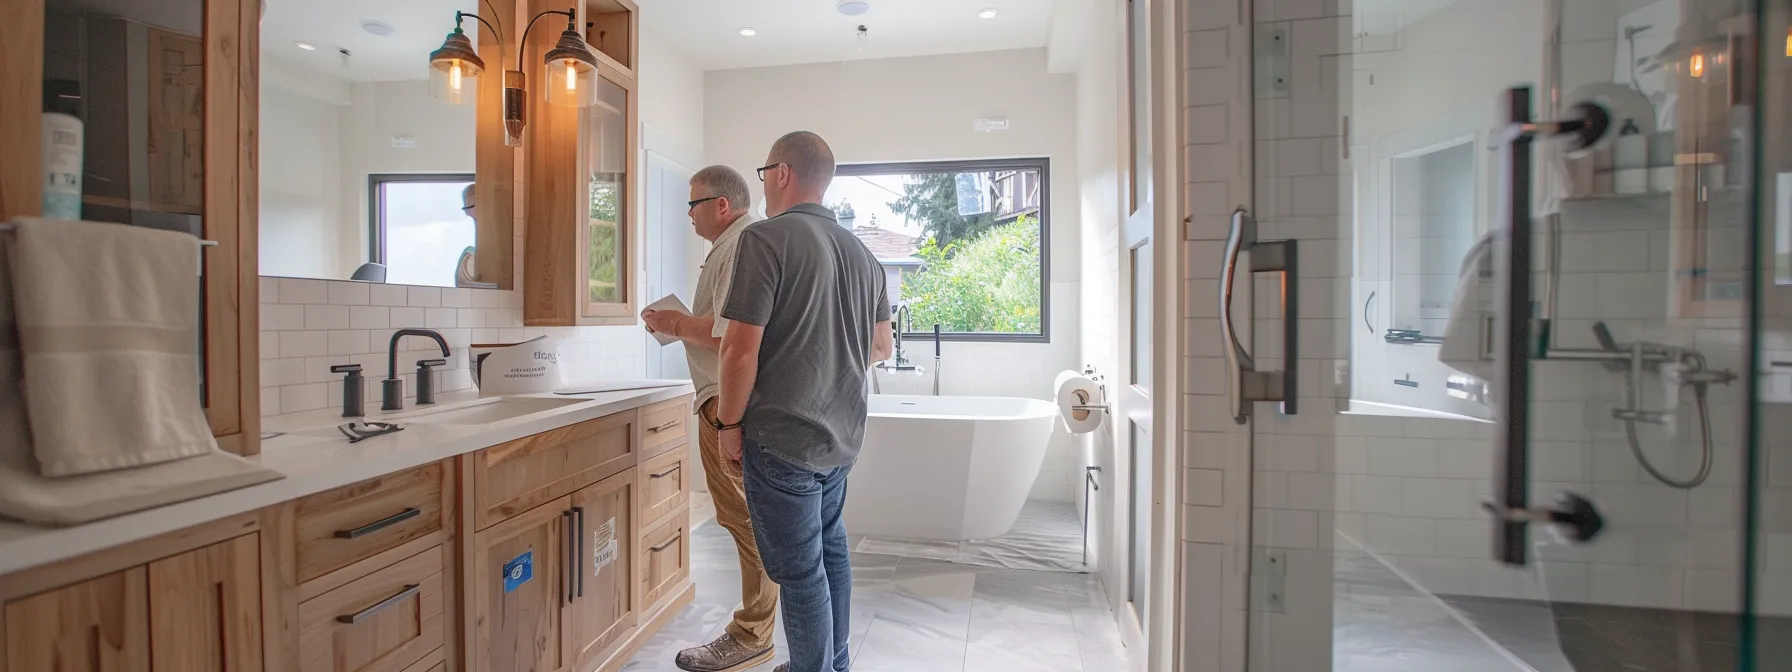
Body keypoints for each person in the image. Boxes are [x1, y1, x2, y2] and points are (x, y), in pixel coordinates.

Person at [714, 131, 894, 672]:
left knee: (798, 572)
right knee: (830, 554)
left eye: (766, 172)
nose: (764, 183)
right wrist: (824, 366)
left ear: (783, 172)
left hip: (782, 440)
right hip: (839, 440)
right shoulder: (865, 255)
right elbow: (880, 346)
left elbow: (739, 352)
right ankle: (833, 664)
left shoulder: (765, 240)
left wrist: (728, 424)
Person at [639, 165, 778, 672]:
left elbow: (730, 337)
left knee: (746, 521)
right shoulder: (739, 245)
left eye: (693, 205)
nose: (690, 216)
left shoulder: (741, 245)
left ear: (722, 205)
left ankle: (752, 634)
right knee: (749, 520)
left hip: (727, 401)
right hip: (727, 398)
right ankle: (760, 629)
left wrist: (672, 323)